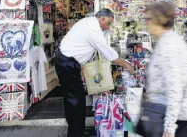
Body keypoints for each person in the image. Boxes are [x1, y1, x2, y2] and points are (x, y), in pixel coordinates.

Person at [56, 8, 133, 137]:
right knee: (74, 100)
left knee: (77, 98)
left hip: (70, 62)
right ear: (102, 19)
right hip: (67, 63)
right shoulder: (93, 29)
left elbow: (78, 47)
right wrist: (126, 65)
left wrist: (81, 67)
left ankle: (78, 130)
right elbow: (108, 53)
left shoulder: (88, 22)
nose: (107, 27)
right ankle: (75, 133)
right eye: (108, 23)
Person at [141, 2, 187, 137]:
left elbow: (175, 88)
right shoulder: (165, 41)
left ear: (159, 20)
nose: (146, 23)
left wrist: (169, 128)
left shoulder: (169, 45)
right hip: (168, 114)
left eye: (149, 19)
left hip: (177, 118)